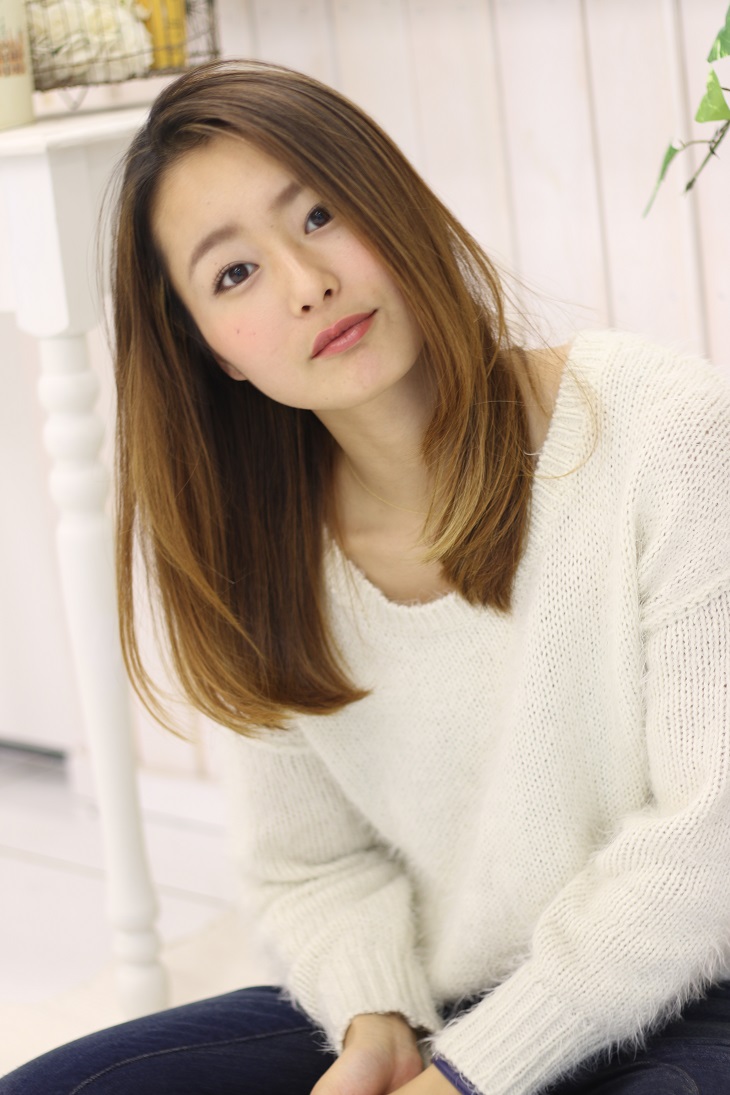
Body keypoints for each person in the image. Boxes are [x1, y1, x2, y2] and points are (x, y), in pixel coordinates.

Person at [2, 57, 730, 1095]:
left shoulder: (663, 430)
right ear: (213, 350)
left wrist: (472, 1077)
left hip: (695, 986)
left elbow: (708, 840)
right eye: (234, 274)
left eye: (320, 214)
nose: (308, 284)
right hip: (447, 1000)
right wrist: (376, 1021)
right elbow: (310, 863)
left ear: (392, 203)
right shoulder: (258, 551)